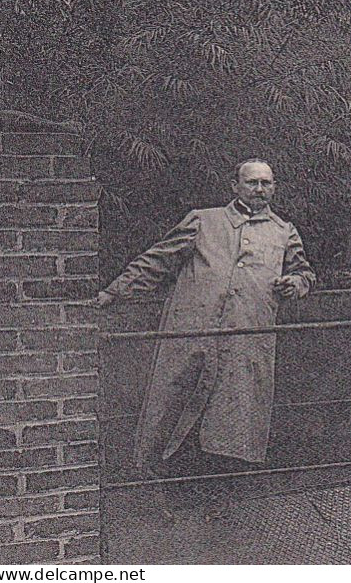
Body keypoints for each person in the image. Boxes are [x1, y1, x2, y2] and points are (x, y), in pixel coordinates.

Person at [94, 159, 314, 474]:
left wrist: (295, 283)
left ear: (274, 188)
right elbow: (158, 261)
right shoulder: (203, 222)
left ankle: (221, 495)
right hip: (192, 332)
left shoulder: (284, 232)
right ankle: (152, 482)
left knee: (232, 418)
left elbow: (303, 273)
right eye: (252, 182)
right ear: (235, 186)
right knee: (172, 408)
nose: (259, 189)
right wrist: (114, 292)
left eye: (266, 183)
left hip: (245, 337)